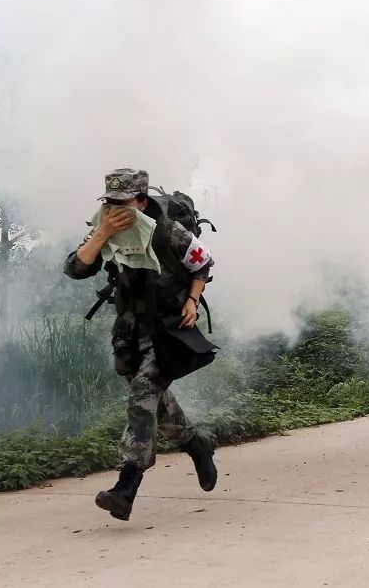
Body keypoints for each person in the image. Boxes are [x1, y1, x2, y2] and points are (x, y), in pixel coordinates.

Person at [64, 168, 218, 522]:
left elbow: (203, 264)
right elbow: (75, 268)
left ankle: (126, 486)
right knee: (156, 406)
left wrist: (192, 302)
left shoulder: (168, 232)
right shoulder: (105, 229)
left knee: (141, 398)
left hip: (168, 328)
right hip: (130, 330)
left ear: (141, 201)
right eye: (110, 202)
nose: (116, 208)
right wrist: (103, 232)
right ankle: (196, 444)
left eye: (124, 202)